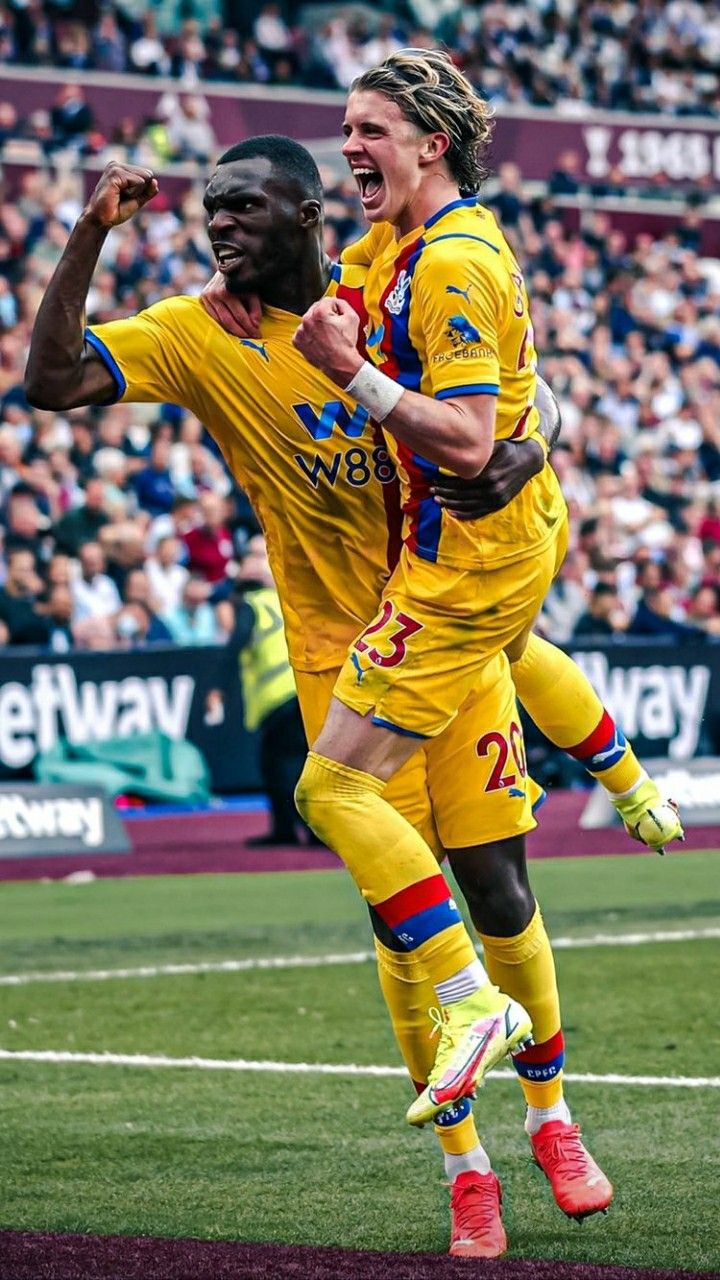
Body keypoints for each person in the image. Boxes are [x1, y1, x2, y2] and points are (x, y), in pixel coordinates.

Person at [25, 144, 607, 1257]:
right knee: (400, 916)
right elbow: (52, 381)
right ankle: (467, 1170)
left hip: (445, 627)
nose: (220, 226)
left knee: (498, 885)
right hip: (338, 655)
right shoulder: (198, 335)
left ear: (309, 211)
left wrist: (535, 446)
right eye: (210, 211)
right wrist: (92, 229)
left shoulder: (377, 294)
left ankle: (553, 1114)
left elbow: (503, 412)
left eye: (245, 205)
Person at [285, 53, 682, 1113]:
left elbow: (464, 436)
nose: (350, 146)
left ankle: (474, 998)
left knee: (330, 789)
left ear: (432, 143)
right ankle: (626, 780)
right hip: (480, 544)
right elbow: (514, 388)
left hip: (465, 562)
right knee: (508, 658)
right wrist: (539, 425)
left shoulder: (453, 258)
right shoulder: (395, 247)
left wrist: (352, 378)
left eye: (371, 128)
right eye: (346, 125)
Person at [233, 534, 315, 847]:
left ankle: (296, 830)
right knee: (295, 763)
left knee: (282, 766)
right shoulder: (281, 599)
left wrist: (215, 687)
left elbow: (234, 647)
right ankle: (297, 828)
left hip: (277, 698)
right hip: (299, 690)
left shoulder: (251, 605)